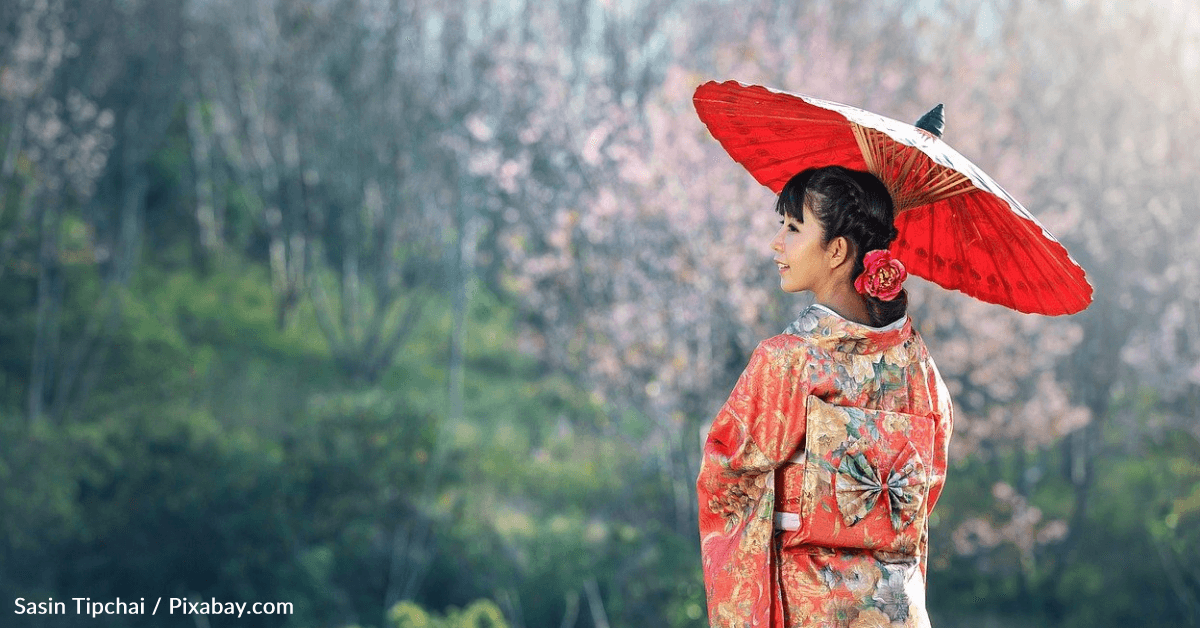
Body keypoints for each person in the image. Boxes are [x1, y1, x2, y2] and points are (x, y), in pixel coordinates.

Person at [697, 165, 954, 628]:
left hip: (810, 605)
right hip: (895, 609)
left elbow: (728, 477)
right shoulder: (919, 368)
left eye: (793, 228)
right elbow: (925, 487)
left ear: (837, 250)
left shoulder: (789, 361)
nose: (778, 243)